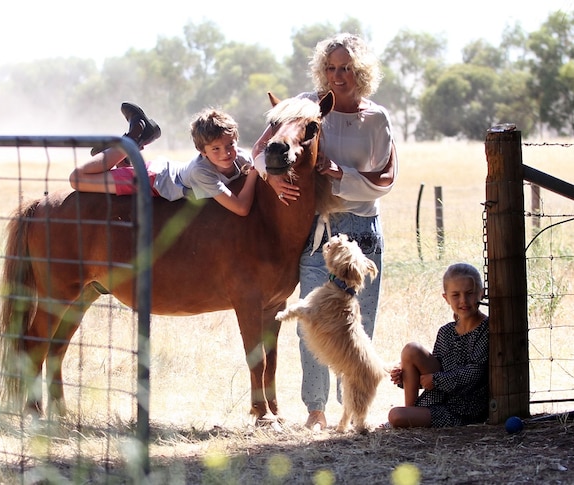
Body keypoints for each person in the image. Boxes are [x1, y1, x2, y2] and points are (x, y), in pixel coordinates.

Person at [252, 32, 398, 430]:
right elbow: (259, 149)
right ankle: (315, 410)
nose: (338, 76)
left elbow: (385, 178)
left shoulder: (377, 118)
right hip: (321, 230)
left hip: (363, 232)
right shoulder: (307, 105)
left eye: (346, 68)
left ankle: (350, 412)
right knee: (311, 323)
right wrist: (273, 179)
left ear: (360, 71)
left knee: (357, 329)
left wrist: (339, 174)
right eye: (331, 68)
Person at [69, 102, 298, 216]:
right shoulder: (203, 171)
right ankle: (134, 137)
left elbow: (256, 160)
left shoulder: (240, 156)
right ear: (202, 151)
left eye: (230, 145)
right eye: (215, 149)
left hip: (168, 169)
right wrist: (255, 173)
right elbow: (241, 208)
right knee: (77, 179)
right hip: (153, 180)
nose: (226, 153)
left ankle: (118, 156)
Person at [387, 263, 490, 428]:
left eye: (469, 293)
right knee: (411, 350)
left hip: (465, 410)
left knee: (396, 415)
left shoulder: (486, 328)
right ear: (446, 298)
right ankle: (411, 411)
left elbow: (475, 373)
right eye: (456, 295)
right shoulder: (446, 332)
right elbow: (430, 377)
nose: (463, 300)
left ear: (481, 294)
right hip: (441, 400)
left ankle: (409, 417)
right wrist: (405, 376)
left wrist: (436, 379)